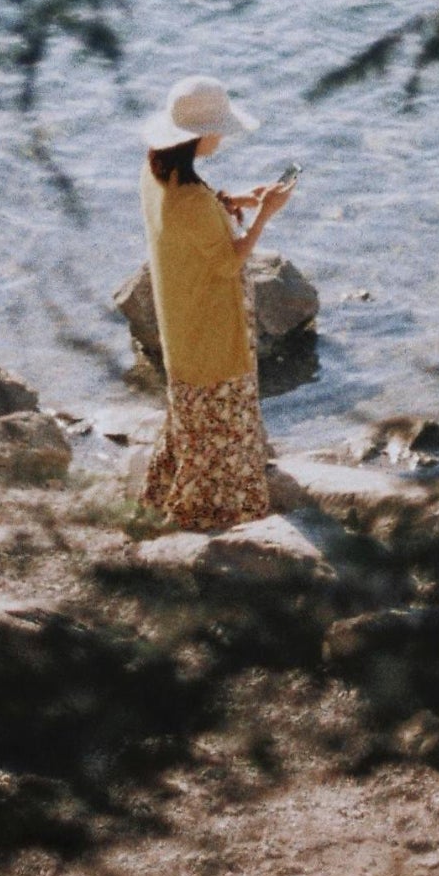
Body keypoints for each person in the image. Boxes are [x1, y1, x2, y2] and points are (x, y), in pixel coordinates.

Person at [135, 75, 294, 534]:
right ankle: (217, 516)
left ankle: (168, 494)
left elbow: (196, 216)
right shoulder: (191, 203)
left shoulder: (156, 176)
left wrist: (235, 200)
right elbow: (229, 261)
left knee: (191, 422)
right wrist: (265, 215)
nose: (222, 136)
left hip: (180, 321)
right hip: (210, 324)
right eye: (218, 128)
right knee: (225, 423)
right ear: (196, 137)